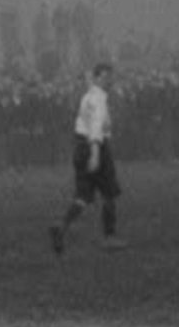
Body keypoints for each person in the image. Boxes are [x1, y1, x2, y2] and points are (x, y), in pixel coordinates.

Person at [49, 62, 126, 254]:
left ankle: (62, 226)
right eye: (107, 77)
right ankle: (109, 237)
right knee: (109, 193)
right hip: (95, 146)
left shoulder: (86, 97)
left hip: (80, 145)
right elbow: (96, 127)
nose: (111, 81)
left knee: (82, 196)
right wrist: (95, 153)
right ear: (98, 77)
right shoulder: (98, 99)